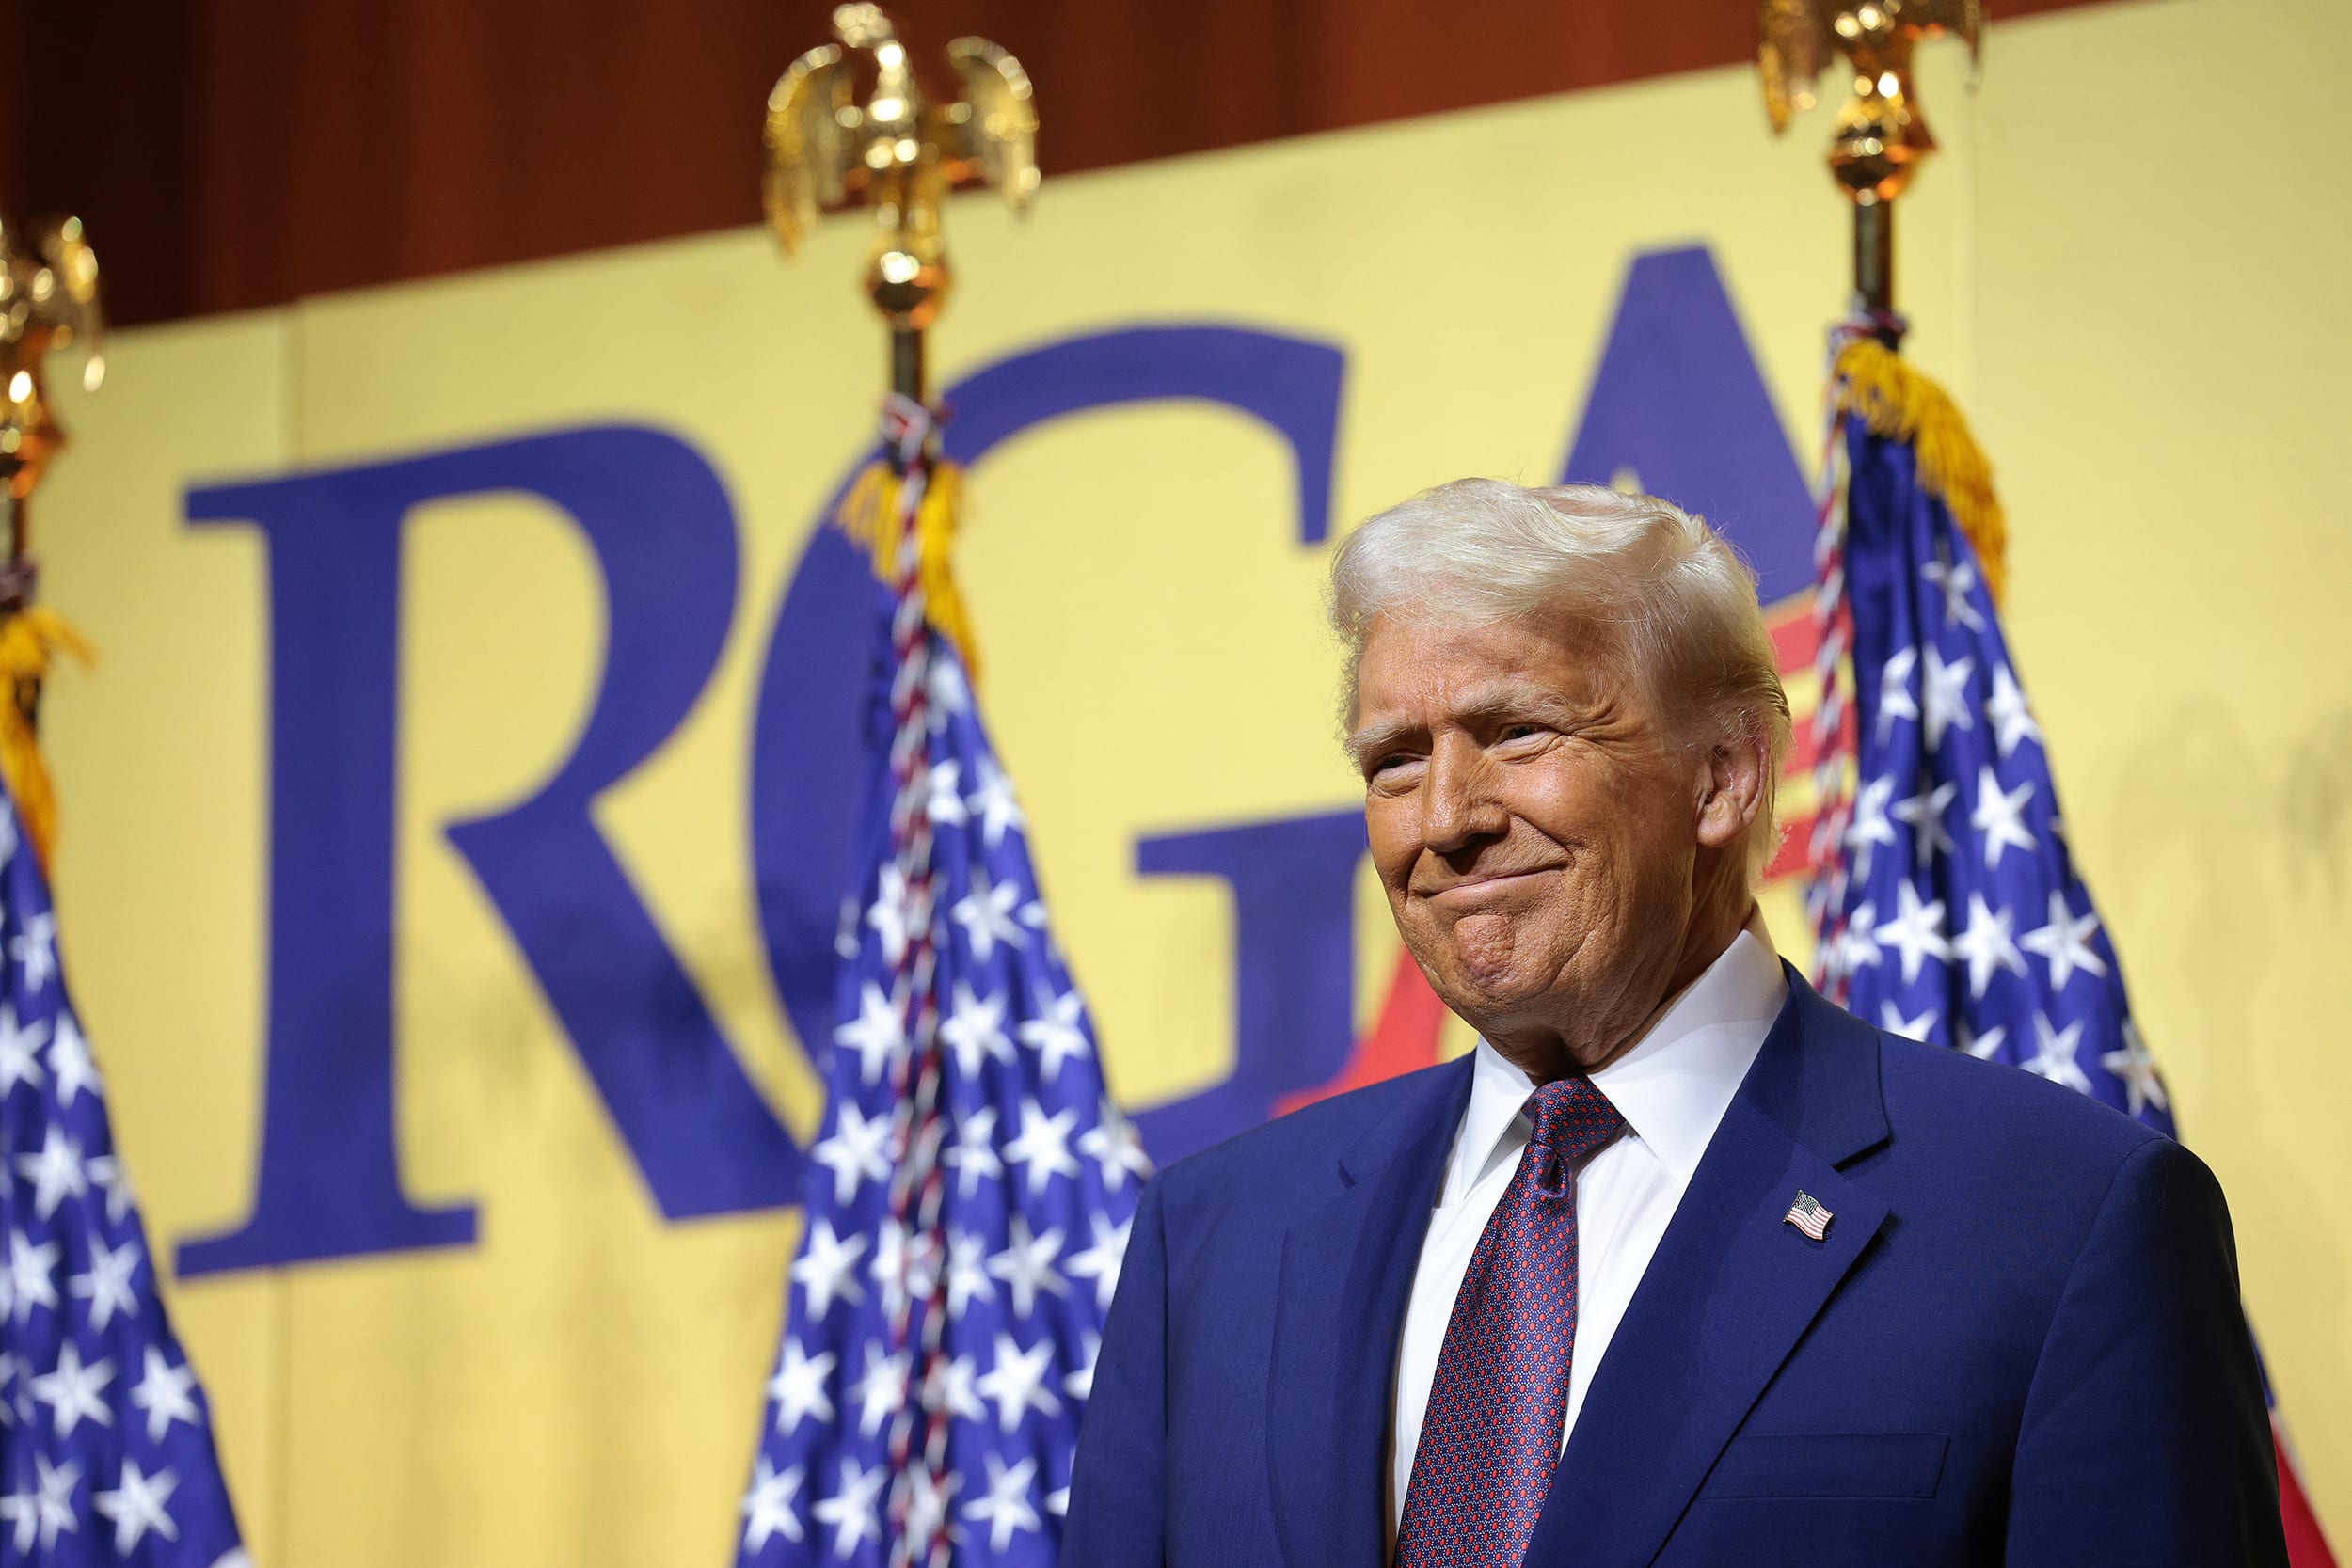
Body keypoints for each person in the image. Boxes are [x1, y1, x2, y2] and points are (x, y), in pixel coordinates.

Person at [1061, 480, 2285, 1567]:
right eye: (1393, 760)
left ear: (1725, 777)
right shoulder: (1214, 1240)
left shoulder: (2066, 1224)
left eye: (1515, 733)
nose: (1444, 819)